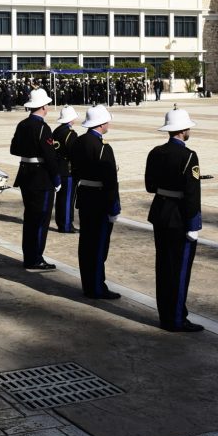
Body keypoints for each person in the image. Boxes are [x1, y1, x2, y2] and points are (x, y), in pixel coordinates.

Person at [145, 108, 204, 333]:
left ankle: (165, 314)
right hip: (179, 217)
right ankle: (176, 319)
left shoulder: (155, 152)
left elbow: (150, 186)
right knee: (179, 271)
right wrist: (194, 224)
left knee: (163, 266)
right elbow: (192, 193)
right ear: (183, 130)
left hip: (160, 212)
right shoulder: (189, 156)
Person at [72, 105, 120, 299]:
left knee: (86, 244)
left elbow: (73, 169)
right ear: (101, 123)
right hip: (100, 199)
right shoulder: (102, 147)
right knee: (99, 246)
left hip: (84, 195)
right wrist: (114, 206)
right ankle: (97, 287)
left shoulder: (79, 141)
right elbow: (110, 180)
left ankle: (88, 284)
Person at [9, 88, 60, 270]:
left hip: (25, 173)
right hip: (41, 176)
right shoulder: (42, 127)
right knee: (40, 219)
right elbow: (50, 156)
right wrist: (56, 178)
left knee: (30, 218)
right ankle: (35, 257)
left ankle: (29, 255)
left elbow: (13, 149)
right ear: (43, 107)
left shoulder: (22, 124)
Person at [52, 105, 79, 234]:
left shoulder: (56, 131)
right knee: (68, 199)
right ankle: (66, 224)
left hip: (57, 168)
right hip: (67, 169)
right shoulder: (70, 134)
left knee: (60, 198)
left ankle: (60, 221)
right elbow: (75, 153)